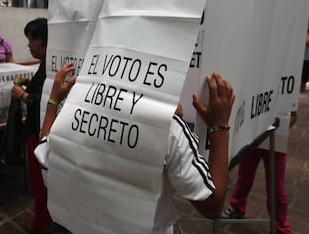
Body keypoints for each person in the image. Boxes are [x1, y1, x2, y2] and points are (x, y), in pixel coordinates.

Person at [34, 65, 235, 233]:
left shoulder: (73, 109)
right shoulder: (168, 126)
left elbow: (44, 154)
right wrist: (220, 126)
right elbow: (212, 204)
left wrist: (53, 101)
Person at [221, 111, 297, 234]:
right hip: (254, 139)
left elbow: (293, 115)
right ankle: (237, 207)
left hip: (276, 142)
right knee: (244, 177)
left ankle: (281, 226)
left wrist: (280, 132)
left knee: (276, 187)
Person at [10, 18, 51, 232]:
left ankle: (41, 222)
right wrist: (29, 84)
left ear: (45, 41)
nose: (29, 45)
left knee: (39, 182)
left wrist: (22, 94)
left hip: (39, 132)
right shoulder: (47, 64)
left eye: (32, 39)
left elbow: (43, 102)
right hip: (45, 132)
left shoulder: (50, 68)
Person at [301, 25, 309, 92]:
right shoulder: (305, 31)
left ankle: (303, 86)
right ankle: (302, 86)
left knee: (305, 73)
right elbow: (307, 40)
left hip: (306, 57)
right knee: (304, 72)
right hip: (305, 57)